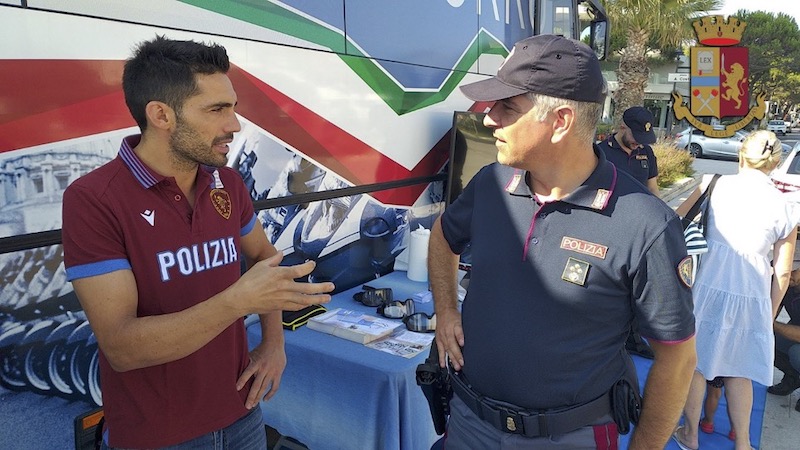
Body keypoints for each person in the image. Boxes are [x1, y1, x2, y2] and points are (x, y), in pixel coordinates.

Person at [61, 36, 334, 449]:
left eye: (233, 108)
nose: (235, 125)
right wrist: (238, 301)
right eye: (216, 110)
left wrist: (274, 344)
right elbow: (121, 347)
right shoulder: (93, 199)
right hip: (157, 435)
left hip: (242, 414)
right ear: (161, 115)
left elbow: (265, 258)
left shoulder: (227, 182)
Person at [429, 34, 697, 449]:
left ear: (561, 121)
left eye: (507, 107)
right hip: (469, 423)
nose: (487, 119)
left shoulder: (645, 224)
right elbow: (442, 236)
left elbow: (676, 358)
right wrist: (446, 311)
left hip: (569, 437)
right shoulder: (492, 184)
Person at [674, 130, 798, 450]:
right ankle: (743, 442)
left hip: (706, 286)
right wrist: (768, 313)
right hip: (753, 294)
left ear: (741, 154)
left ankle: (690, 433)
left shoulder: (714, 183)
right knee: (740, 371)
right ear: (775, 163)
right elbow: (782, 270)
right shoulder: (786, 208)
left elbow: (674, 221)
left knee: (696, 364)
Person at [597, 106, 660, 196]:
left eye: (642, 138)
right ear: (622, 128)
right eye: (636, 136)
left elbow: (652, 188)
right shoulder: (601, 152)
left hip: (640, 208)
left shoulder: (646, 151)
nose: (639, 142)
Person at [768, 267, 800, 408]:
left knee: (796, 353)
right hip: (795, 331)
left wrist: (771, 323)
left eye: (795, 270)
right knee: (765, 341)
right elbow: (772, 311)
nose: (790, 275)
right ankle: (792, 378)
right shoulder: (787, 284)